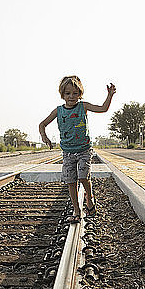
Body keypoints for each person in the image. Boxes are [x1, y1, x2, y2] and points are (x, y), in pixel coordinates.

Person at [39, 76, 116, 223]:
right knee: (71, 181)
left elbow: (103, 109)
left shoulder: (83, 106)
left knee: (83, 176)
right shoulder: (58, 111)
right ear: (62, 94)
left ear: (80, 93)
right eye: (68, 93)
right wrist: (45, 137)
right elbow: (42, 124)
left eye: (75, 93)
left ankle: (89, 197)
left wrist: (109, 95)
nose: (71, 97)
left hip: (84, 151)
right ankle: (76, 210)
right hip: (68, 152)